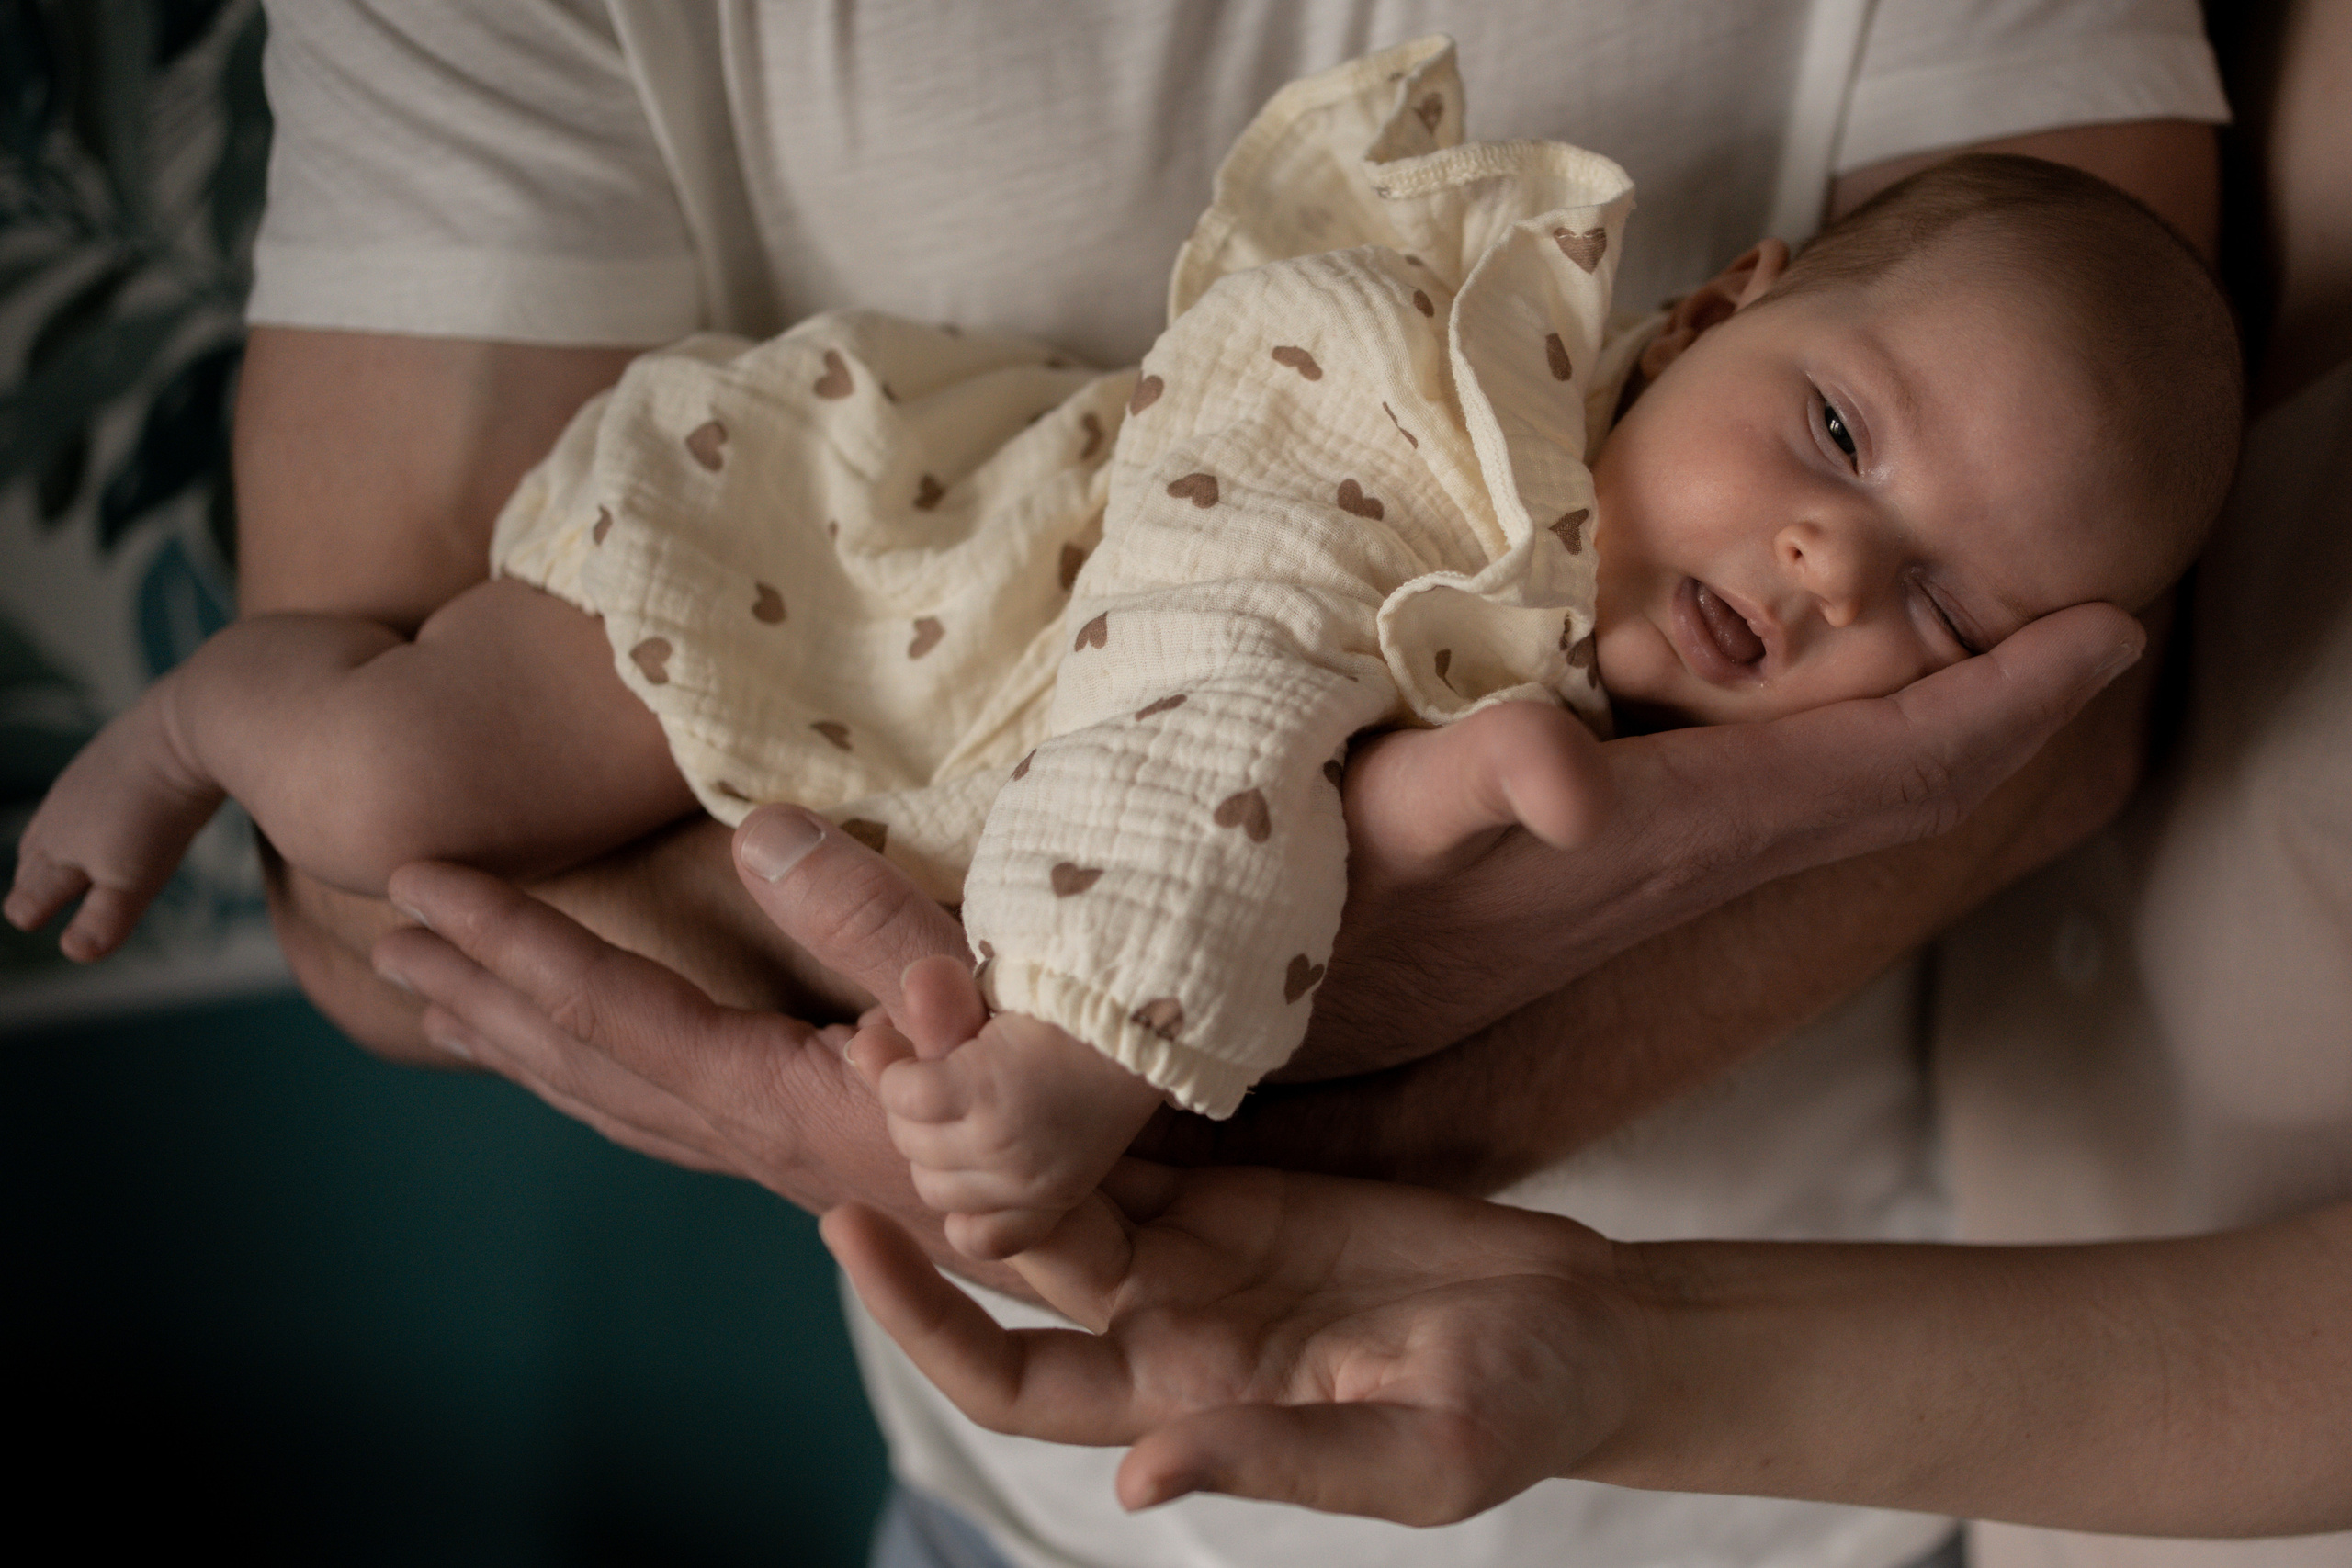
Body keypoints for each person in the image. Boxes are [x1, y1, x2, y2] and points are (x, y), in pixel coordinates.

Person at [227, 6, 2233, 1568]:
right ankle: (188, 731)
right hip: (1045, 1494)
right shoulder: (1407, 423)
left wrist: (1200, 1079)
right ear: (1705, 301)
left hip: (1774, 1495)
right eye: (1826, 432)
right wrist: (1091, 1056)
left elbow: (2032, 771)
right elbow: (373, 915)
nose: (1832, 567)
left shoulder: (1667, 607)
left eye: (1947, 615)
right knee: (373, 773)